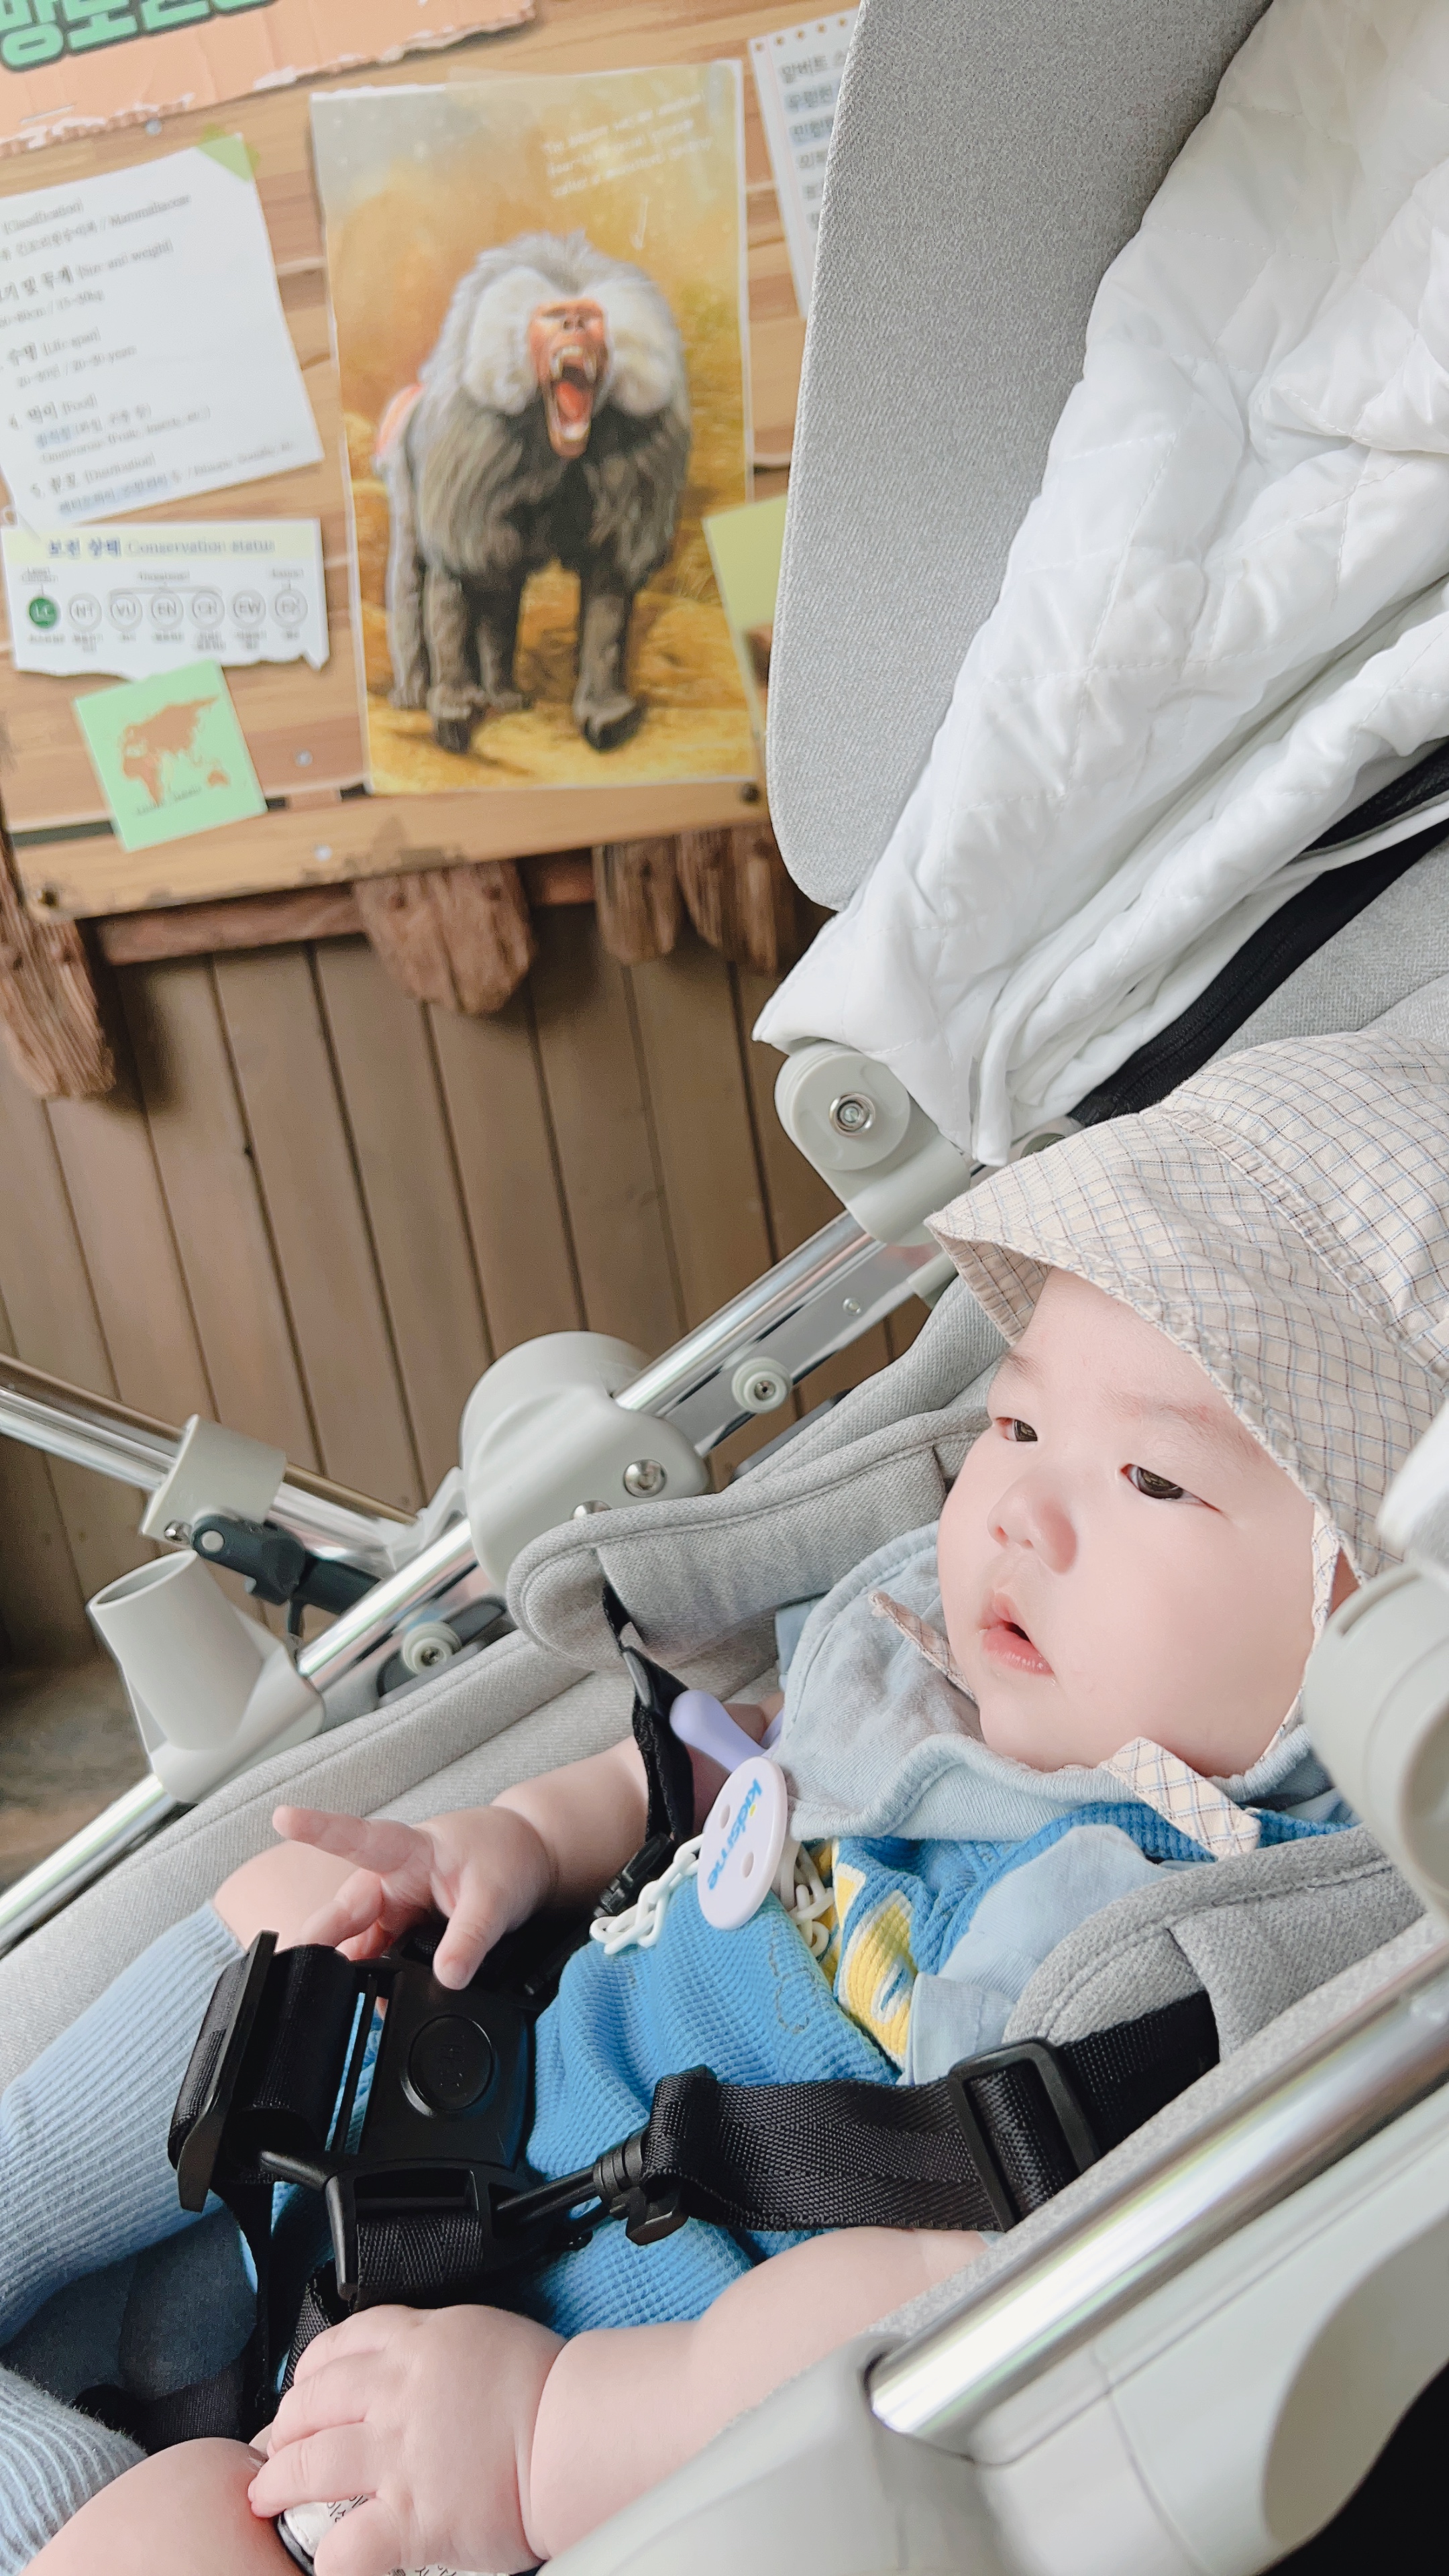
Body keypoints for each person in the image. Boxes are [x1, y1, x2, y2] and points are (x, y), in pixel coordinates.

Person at [8, 1024, 1444, 2576]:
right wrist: (523, 1840)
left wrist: (548, 2439)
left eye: (1153, 1480)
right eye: (1018, 1423)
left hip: (520, 2407)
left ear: (1376, 1614)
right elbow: (725, 1759)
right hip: (473, 2097)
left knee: (173, 2533)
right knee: (296, 1911)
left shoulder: (1143, 1929)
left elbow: (931, 2290)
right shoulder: (933, 1648)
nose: (1019, 1509)